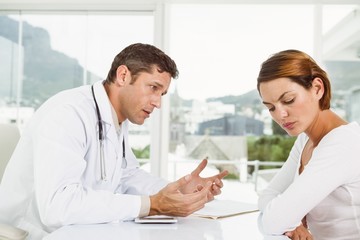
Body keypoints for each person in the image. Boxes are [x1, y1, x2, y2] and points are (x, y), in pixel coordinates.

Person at [0, 43, 228, 239]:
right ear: (123, 76)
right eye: (153, 88)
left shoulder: (116, 118)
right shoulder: (68, 113)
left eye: (162, 94)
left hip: (81, 230)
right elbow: (58, 206)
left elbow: (126, 174)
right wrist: (152, 204)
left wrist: (177, 190)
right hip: (34, 234)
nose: (157, 102)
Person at [256, 49, 360, 239]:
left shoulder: (343, 143)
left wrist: (285, 217)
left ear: (317, 88)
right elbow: (267, 194)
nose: (280, 115)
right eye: (271, 108)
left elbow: (274, 220)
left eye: (289, 100)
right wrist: (292, 222)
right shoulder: (305, 139)